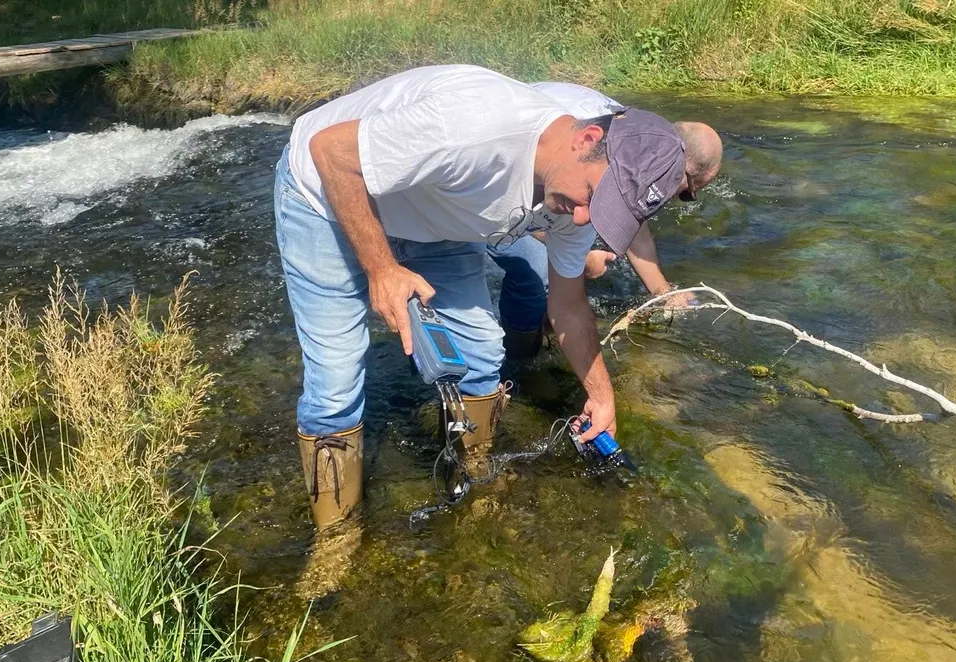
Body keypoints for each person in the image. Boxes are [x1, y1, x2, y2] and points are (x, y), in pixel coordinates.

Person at [275, 65, 687, 530]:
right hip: (326, 194)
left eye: (605, 211)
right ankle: (336, 538)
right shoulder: (475, 125)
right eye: (592, 194)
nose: (583, 218)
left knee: (482, 352)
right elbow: (330, 151)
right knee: (336, 383)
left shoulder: (575, 203)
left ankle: (474, 479)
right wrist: (382, 269)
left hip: (436, 219)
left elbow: (569, 306)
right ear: (586, 138)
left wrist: (601, 395)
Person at [488, 82, 724, 358]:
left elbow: (635, 220)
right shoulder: (602, 140)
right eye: (685, 192)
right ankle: (520, 363)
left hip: (527, 166)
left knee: (563, 274)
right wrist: (581, 259)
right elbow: (529, 211)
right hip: (495, 175)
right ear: (679, 169)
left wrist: (662, 292)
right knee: (537, 271)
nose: (674, 199)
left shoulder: (638, 136)